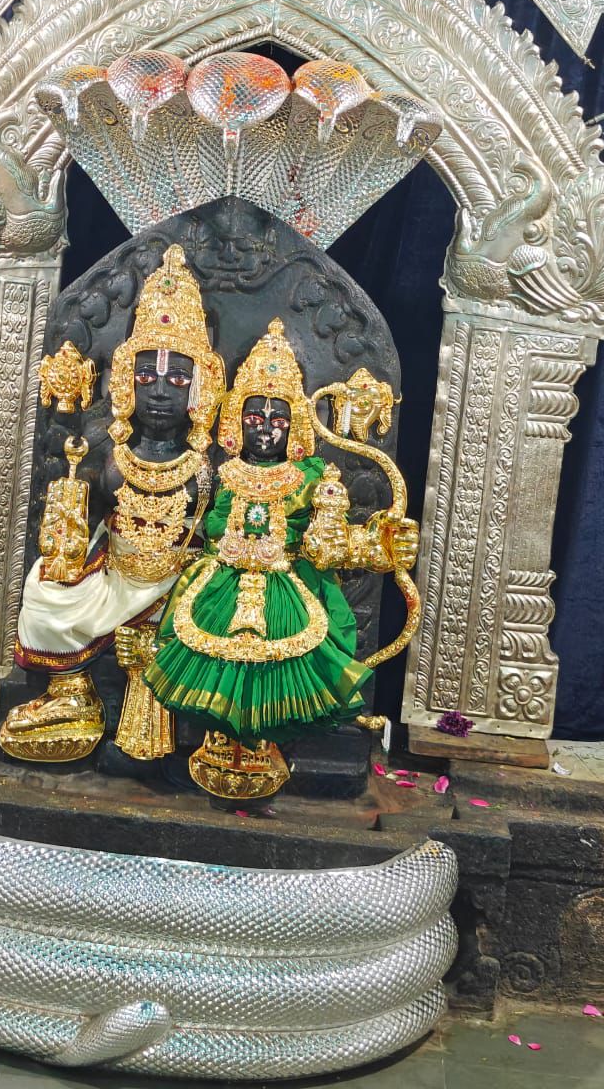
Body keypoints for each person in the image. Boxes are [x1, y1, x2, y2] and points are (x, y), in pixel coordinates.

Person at [143, 318, 417, 800]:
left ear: (294, 427)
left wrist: (379, 542)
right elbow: (208, 526)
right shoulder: (224, 472)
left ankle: (261, 743)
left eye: (278, 421)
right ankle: (220, 739)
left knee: (276, 669)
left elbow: (328, 544)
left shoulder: (310, 477)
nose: (266, 430)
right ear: (236, 422)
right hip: (223, 580)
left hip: (285, 582)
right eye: (254, 419)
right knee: (213, 662)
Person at [0, 246, 225, 762]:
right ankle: (71, 693)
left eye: (178, 379)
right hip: (116, 572)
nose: (161, 392)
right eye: (147, 377)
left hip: (181, 582)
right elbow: (83, 519)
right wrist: (67, 537)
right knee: (45, 593)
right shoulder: (106, 449)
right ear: (126, 381)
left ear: (200, 386)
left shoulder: (210, 463)